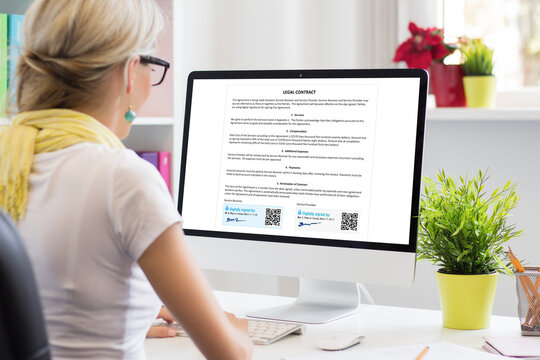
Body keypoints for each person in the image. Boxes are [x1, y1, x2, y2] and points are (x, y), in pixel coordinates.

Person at [0, 0, 253, 359]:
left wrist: (126, 314)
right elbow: (231, 354)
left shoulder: (9, 158)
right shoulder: (124, 178)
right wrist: (238, 332)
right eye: (154, 64)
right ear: (130, 71)